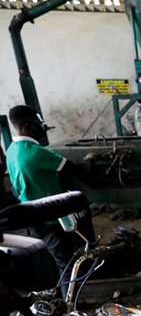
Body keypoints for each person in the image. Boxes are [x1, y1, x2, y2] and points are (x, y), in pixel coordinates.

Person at [5, 105, 89, 275]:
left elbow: (16, 187)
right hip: (50, 219)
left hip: (30, 215)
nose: (43, 125)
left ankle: (58, 299)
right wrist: (91, 160)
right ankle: (68, 301)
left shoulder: (12, 150)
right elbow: (77, 170)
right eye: (39, 122)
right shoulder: (37, 153)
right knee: (66, 265)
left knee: (51, 263)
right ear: (28, 126)